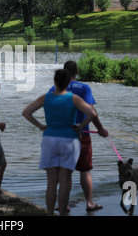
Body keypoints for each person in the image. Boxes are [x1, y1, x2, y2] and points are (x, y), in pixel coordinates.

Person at [22, 69, 97, 215]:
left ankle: (50, 213)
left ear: (54, 82)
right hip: (69, 140)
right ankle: (63, 212)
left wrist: (40, 126)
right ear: (68, 83)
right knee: (64, 180)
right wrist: (80, 126)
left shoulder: (46, 98)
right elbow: (92, 113)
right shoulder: (73, 98)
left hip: (50, 139)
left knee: (51, 182)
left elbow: (26, 113)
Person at [48, 61, 109, 212]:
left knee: (65, 172)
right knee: (85, 170)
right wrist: (100, 129)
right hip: (82, 134)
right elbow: (91, 111)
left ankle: (64, 204)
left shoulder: (54, 89)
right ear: (77, 72)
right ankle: (89, 203)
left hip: (61, 136)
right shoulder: (84, 88)